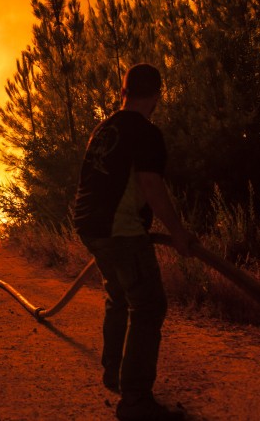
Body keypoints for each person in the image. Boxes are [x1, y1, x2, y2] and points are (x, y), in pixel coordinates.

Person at [74, 63, 198, 421]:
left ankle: (115, 373)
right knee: (148, 306)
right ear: (157, 95)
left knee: (119, 296)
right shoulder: (145, 132)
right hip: (120, 229)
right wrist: (177, 232)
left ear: (124, 91)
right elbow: (150, 185)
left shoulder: (104, 128)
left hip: (90, 226)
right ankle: (136, 402)